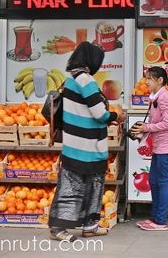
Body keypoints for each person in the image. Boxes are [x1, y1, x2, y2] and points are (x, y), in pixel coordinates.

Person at [48, 42, 126, 242]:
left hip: (75, 144)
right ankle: (59, 228)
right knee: (81, 186)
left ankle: (89, 226)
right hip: (87, 145)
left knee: (82, 185)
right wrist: (116, 116)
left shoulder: (71, 79)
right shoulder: (86, 80)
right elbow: (100, 114)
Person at [130, 66, 168, 231]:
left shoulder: (164, 97)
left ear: (160, 80)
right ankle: (155, 217)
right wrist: (141, 132)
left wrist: (146, 128)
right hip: (159, 146)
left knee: (163, 182)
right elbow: (152, 123)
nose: (147, 82)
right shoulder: (156, 97)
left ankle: (161, 221)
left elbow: (167, 123)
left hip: (167, 146)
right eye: (146, 78)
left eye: (150, 79)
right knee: (153, 181)